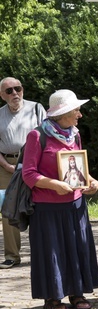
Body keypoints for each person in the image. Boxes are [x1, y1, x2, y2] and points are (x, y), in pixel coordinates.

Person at [22, 89, 98, 309]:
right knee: (52, 251)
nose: (80, 114)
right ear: (63, 113)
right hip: (47, 208)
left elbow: (79, 168)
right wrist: (56, 185)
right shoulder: (37, 136)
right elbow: (29, 174)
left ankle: (77, 293)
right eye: (76, 110)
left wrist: (92, 181)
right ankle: (53, 298)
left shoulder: (74, 134)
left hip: (75, 205)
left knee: (77, 248)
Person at [0, 77, 46, 269]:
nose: (14, 94)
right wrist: (7, 166)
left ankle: (42, 253)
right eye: (9, 91)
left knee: (40, 206)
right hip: (6, 165)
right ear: (2, 95)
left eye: (17, 89)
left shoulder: (36, 109)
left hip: (34, 163)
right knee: (7, 209)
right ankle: (12, 255)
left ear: (23, 89)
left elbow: (48, 136)